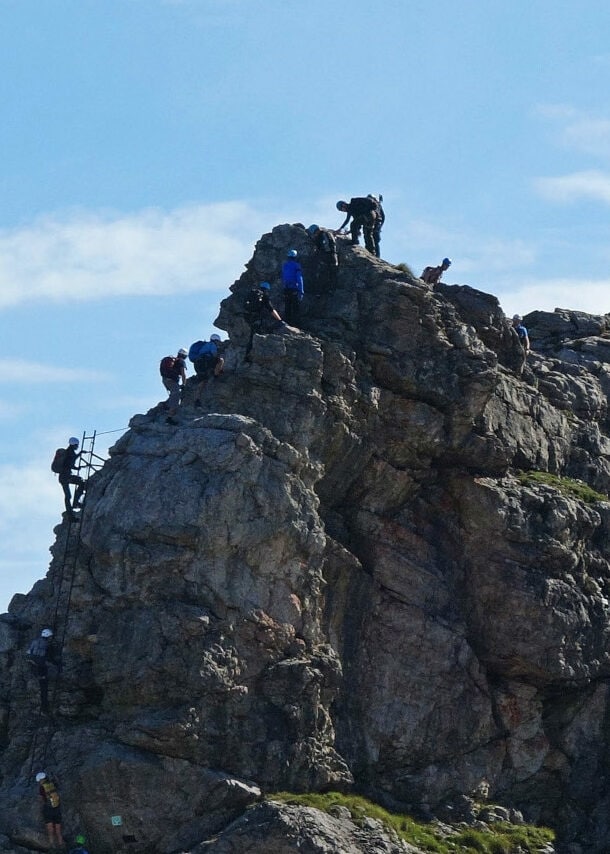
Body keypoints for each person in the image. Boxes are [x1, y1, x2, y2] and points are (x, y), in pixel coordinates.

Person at [244, 282, 283, 359]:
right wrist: (280, 320)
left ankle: (247, 355)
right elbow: (271, 309)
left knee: (252, 336)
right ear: (267, 289)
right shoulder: (264, 296)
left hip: (249, 317)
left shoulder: (252, 293)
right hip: (258, 318)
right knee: (257, 335)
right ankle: (252, 356)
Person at [27, 628, 62, 715]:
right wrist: (58, 664)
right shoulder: (47, 645)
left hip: (34, 666)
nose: (51, 638)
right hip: (42, 667)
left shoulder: (34, 642)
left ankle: (43, 709)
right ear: (48, 636)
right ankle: (44, 709)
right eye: (50, 637)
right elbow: (50, 658)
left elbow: (28, 653)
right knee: (44, 689)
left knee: (43, 687)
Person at [191, 334, 225, 408]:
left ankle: (197, 400)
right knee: (221, 360)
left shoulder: (205, 345)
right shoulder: (212, 344)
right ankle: (216, 375)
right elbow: (214, 354)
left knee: (202, 381)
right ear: (216, 340)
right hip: (206, 361)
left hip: (198, 364)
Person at [57, 437, 85, 519]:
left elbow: (70, 463)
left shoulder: (68, 452)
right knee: (81, 482)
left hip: (63, 477)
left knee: (68, 495)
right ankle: (75, 504)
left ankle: (70, 512)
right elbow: (71, 463)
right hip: (66, 477)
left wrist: (79, 454)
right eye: (77, 445)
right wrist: (79, 454)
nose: (77, 446)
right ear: (74, 445)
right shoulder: (70, 453)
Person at [36, 771, 65, 851]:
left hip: (48, 810)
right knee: (58, 831)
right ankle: (62, 847)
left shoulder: (42, 788)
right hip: (57, 809)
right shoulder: (52, 783)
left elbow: (41, 799)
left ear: (40, 780)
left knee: (50, 830)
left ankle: (52, 847)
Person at [160, 348, 188, 425]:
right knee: (176, 396)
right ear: (185, 356)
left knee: (173, 394)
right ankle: (169, 418)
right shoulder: (181, 361)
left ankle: (166, 406)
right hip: (172, 381)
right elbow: (183, 374)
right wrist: (184, 384)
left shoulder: (174, 360)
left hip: (165, 380)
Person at [281, 249, 304, 326]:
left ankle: (286, 323)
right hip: (294, 288)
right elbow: (299, 278)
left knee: (287, 306)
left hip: (286, 289)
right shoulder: (297, 266)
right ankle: (296, 325)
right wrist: (301, 291)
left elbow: (284, 277)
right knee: (295, 307)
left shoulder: (285, 265)